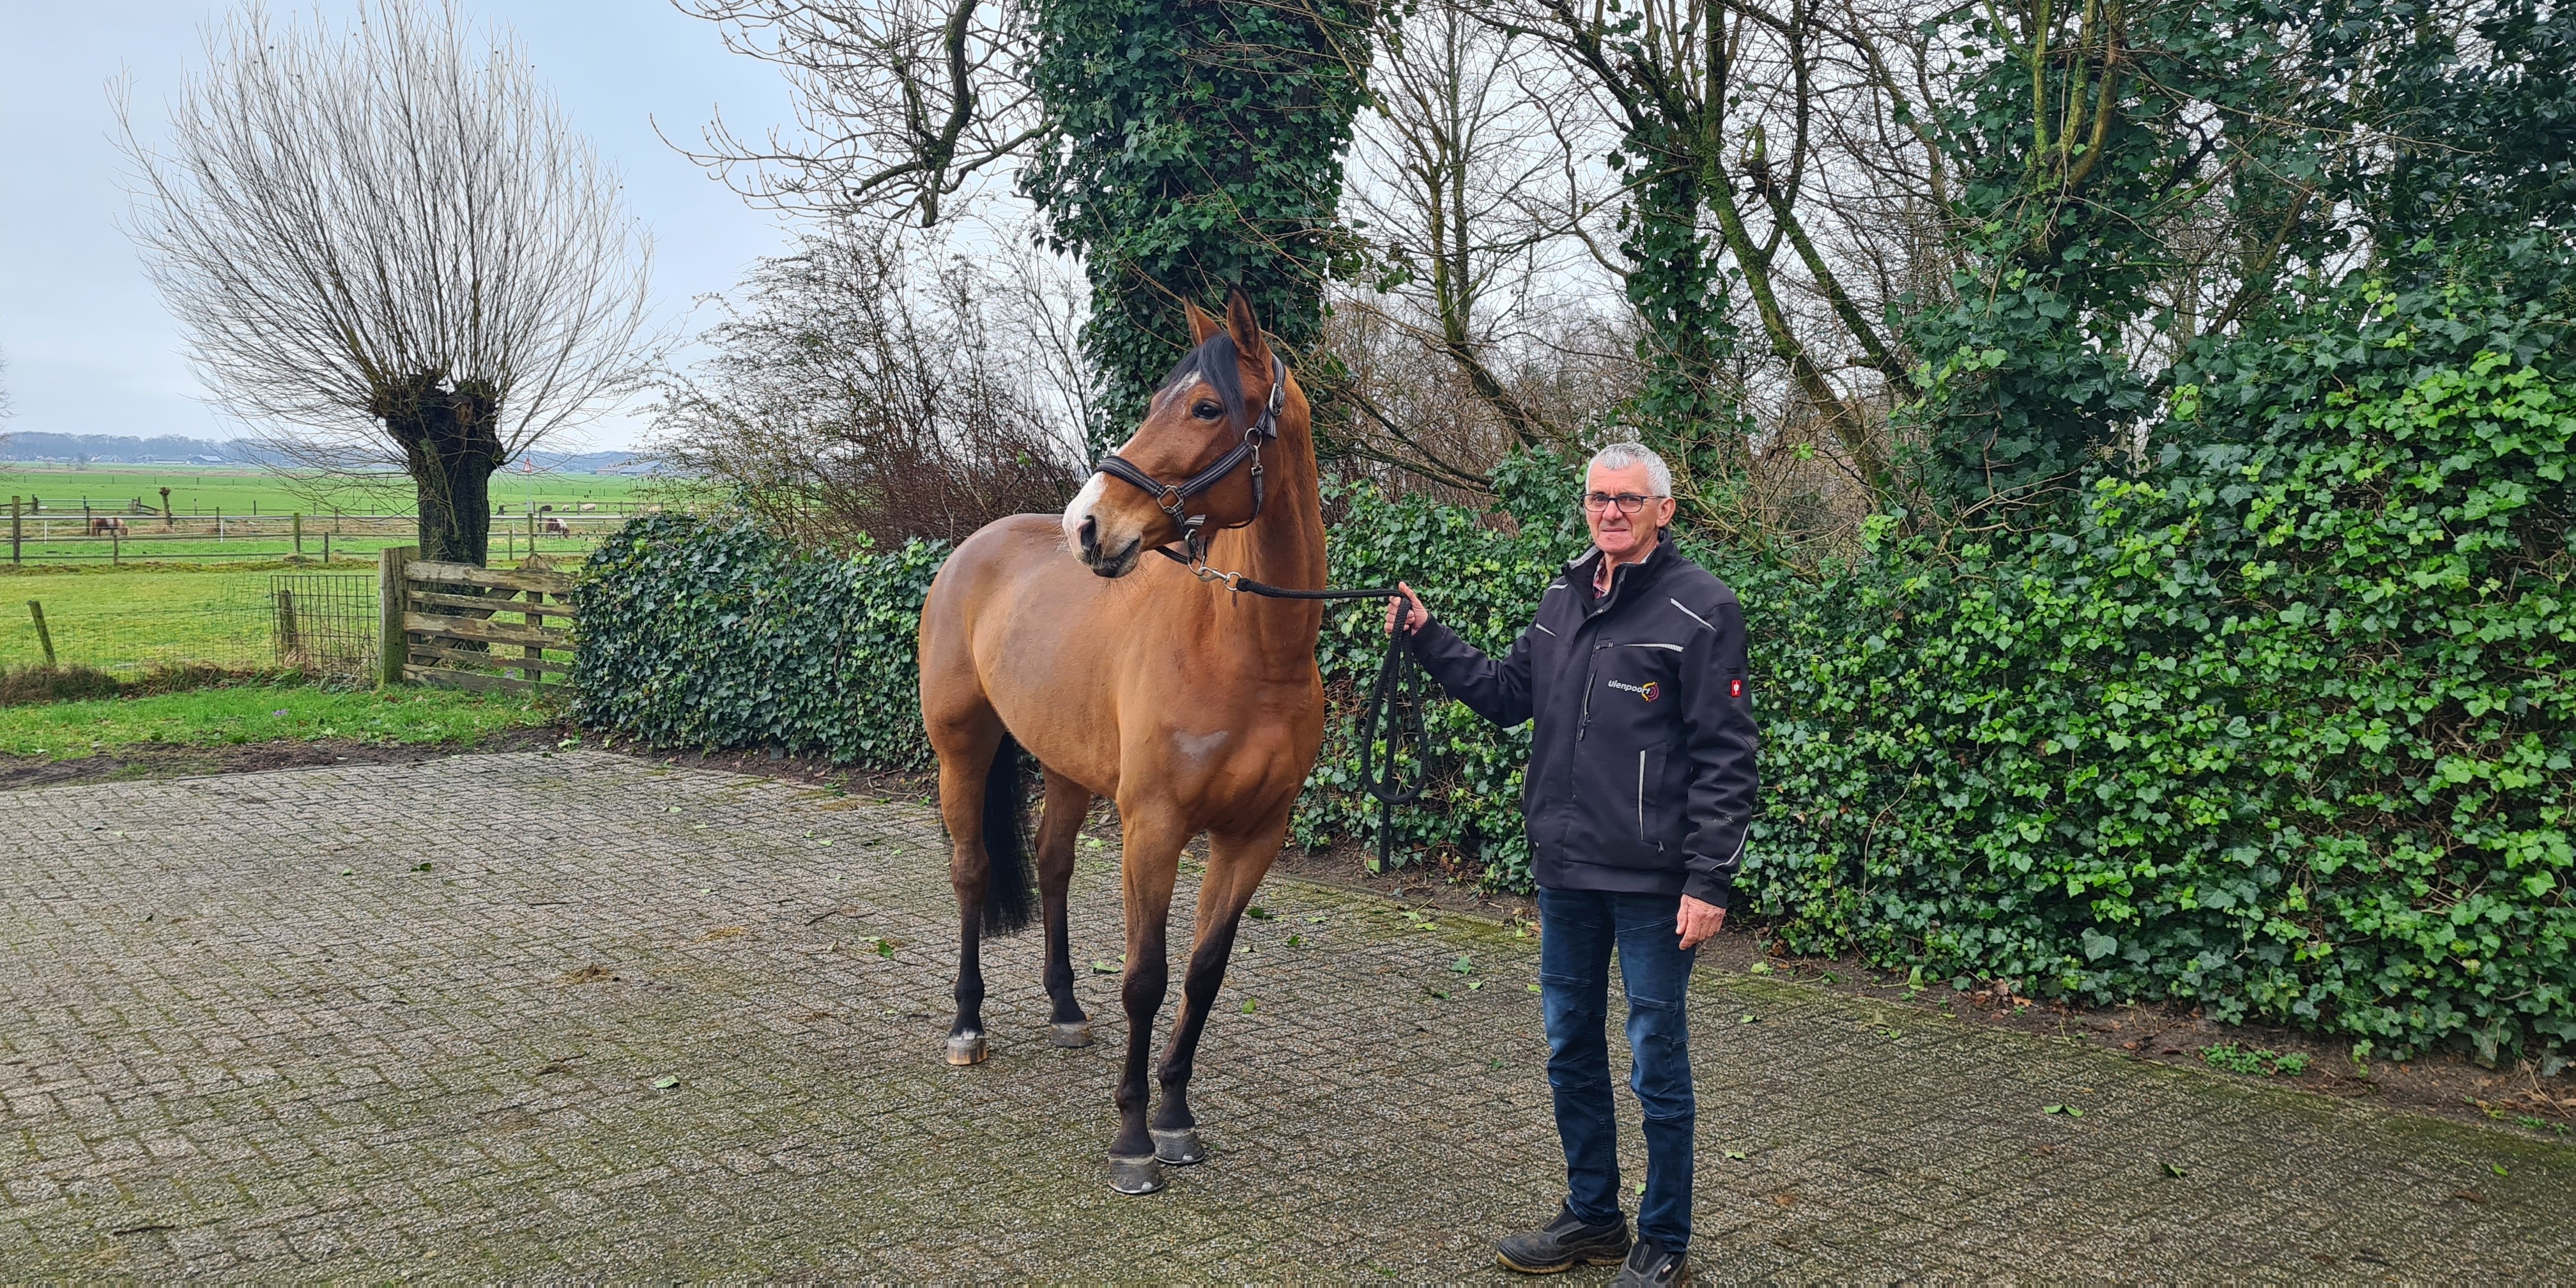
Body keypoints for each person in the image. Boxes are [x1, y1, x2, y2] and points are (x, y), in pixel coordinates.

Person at [1384, 442, 1758, 1287]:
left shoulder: (1703, 610)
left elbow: (1728, 757)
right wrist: (1427, 635)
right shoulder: (1564, 596)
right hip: (1567, 872)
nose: (1611, 511)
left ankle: (1663, 1239)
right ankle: (1594, 1217)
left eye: (1629, 499)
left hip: (1658, 885)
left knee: (1655, 1057)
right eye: (1598, 497)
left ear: (1665, 510)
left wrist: (1709, 881)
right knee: (1569, 1049)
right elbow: (1508, 695)